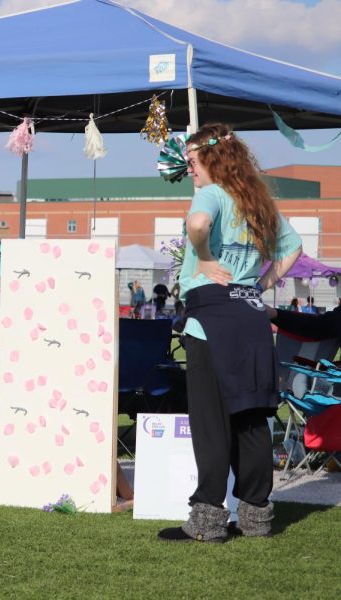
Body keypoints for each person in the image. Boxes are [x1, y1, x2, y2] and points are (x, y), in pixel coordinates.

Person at [157, 123, 301, 544]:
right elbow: (293, 248)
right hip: (252, 316)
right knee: (253, 417)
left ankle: (207, 521)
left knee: (211, 422)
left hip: (211, 319)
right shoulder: (256, 199)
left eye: (192, 163)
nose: (191, 172)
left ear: (212, 160)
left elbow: (198, 224)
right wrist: (265, 281)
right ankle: (256, 518)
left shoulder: (212, 194)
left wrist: (202, 258)